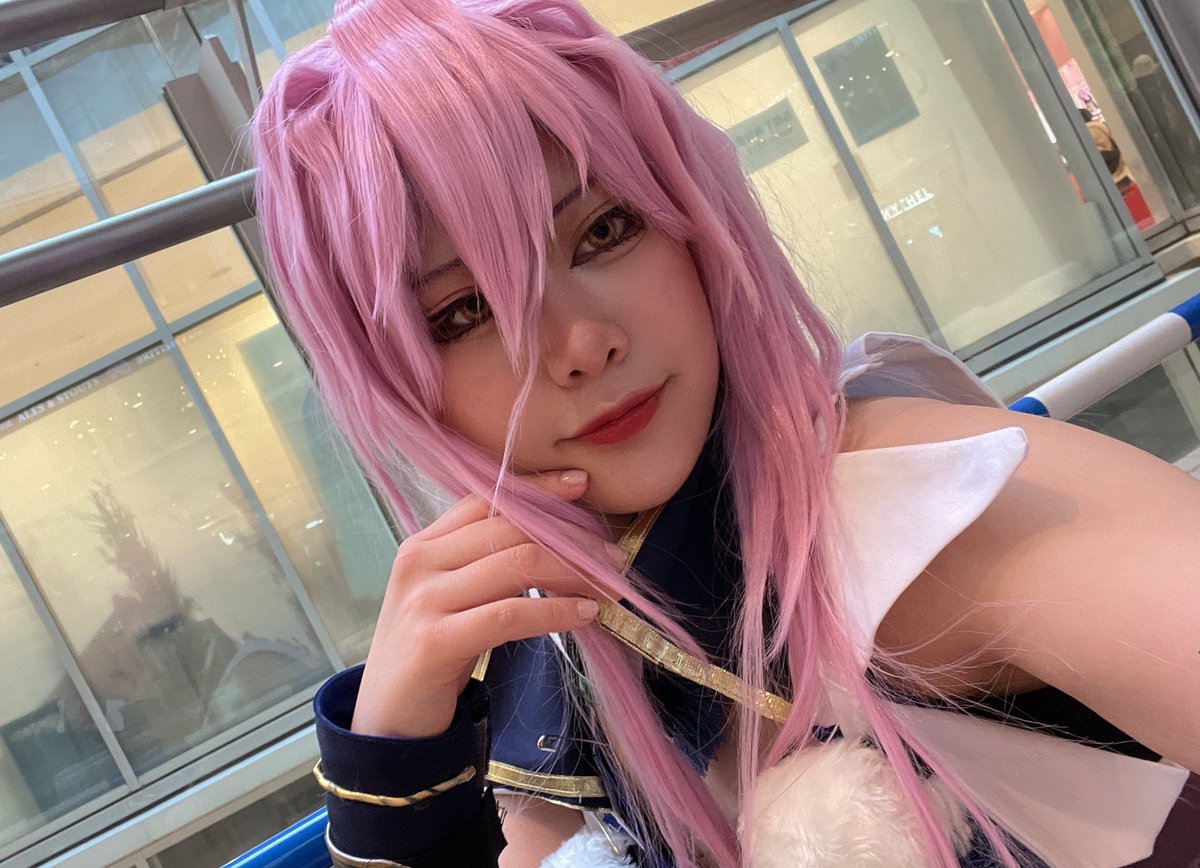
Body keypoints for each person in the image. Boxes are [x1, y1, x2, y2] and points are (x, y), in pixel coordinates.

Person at [250, 1, 1200, 865]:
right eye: (465, 312)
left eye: (603, 230)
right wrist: (395, 753)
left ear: (690, 218)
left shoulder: (905, 504)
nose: (580, 346)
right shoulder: (557, 627)